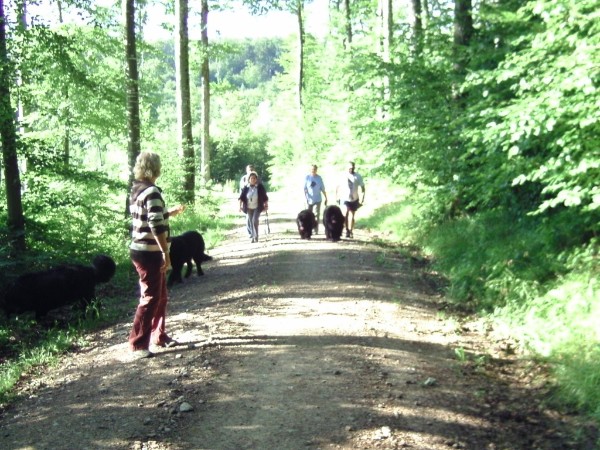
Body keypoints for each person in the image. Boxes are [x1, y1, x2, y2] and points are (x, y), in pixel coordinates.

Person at [128, 152, 186, 360]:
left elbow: (150, 217)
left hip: (143, 250)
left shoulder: (137, 189)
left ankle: (158, 336)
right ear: (155, 167)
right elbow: (155, 225)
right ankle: (137, 345)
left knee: (161, 296)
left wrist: (169, 213)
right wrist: (165, 252)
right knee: (151, 298)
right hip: (149, 253)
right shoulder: (151, 191)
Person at [336, 161, 365, 238]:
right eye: (349, 168)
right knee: (345, 214)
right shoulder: (343, 175)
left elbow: (362, 187)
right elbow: (338, 186)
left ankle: (350, 230)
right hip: (345, 198)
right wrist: (337, 196)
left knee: (352, 215)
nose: (351, 169)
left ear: (354, 167)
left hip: (354, 198)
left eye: (352, 167)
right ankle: (347, 230)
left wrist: (362, 198)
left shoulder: (357, 176)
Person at [239, 172, 269, 243]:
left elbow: (265, 197)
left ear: (256, 179)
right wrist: (240, 206)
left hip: (257, 206)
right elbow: (241, 198)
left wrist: (266, 205)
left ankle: (256, 236)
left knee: (254, 220)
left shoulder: (260, 187)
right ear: (249, 179)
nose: (253, 179)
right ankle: (253, 236)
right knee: (250, 222)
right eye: (251, 178)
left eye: (254, 178)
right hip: (248, 207)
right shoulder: (246, 188)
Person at [303, 164, 328, 234]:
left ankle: (315, 229)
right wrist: (305, 197)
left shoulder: (319, 178)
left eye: (314, 169)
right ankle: (309, 229)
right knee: (308, 215)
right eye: (312, 169)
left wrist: (326, 197)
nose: (313, 170)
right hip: (309, 199)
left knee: (316, 215)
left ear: (316, 170)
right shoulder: (307, 178)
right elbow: (305, 188)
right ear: (310, 170)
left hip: (317, 199)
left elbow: (323, 188)